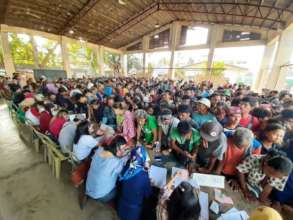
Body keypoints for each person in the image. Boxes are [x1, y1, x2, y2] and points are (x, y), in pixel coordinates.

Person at [86, 136, 129, 202]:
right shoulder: (116, 162)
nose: (124, 150)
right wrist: (125, 155)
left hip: (89, 187)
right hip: (100, 195)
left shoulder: (100, 149)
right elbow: (121, 174)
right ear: (117, 149)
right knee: (121, 188)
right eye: (123, 149)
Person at [117, 146, 152, 220]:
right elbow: (148, 194)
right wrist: (148, 178)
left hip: (121, 205)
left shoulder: (126, 168)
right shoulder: (144, 176)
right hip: (133, 210)